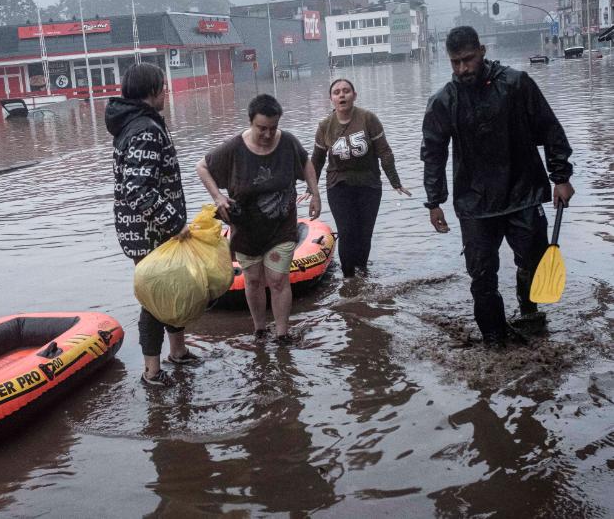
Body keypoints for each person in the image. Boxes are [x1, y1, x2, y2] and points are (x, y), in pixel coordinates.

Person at [421, 26, 574, 346]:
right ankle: (493, 340)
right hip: (474, 203)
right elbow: (433, 154)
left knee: (533, 261)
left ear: (482, 51)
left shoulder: (516, 84)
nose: (463, 69)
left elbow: (550, 129)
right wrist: (434, 202)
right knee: (481, 276)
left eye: (468, 59)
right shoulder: (444, 101)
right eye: (455, 62)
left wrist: (560, 177)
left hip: (523, 192)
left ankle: (529, 312)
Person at [196, 94, 321, 344]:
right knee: (253, 280)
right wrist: (218, 197)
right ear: (251, 122)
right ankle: (260, 330)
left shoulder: (287, 142)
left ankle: (283, 334)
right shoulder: (234, 148)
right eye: (262, 128)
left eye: (273, 128)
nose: (267, 134)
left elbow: (306, 161)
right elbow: (202, 167)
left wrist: (315, 193)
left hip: (281, 227)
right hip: (246, 228)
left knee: (278, 280)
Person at [105, 62, 198, 388]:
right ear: (152, 90)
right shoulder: (145, 129)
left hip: (143, 230)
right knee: (155, 298)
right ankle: (152, 372)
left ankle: (178, 352)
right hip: (150, 233)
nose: (166, 92)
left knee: (170, 291)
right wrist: (175, 223)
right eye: (163, 86)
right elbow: (138, 190)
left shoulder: (134, 123)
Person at [311, 79, 411, 278]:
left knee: (365, 233)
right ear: (331, 99)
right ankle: (348, 278)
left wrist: (395, 181)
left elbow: (384, 152)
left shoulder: (368, 119)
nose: (342, 95)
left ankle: (362, 273)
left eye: (346, 91)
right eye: (337, 92)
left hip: (369, 184)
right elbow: (317, 160)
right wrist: (311, 190)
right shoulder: (325, 126)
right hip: (338, 185)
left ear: (354, 95)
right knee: (347, 231)